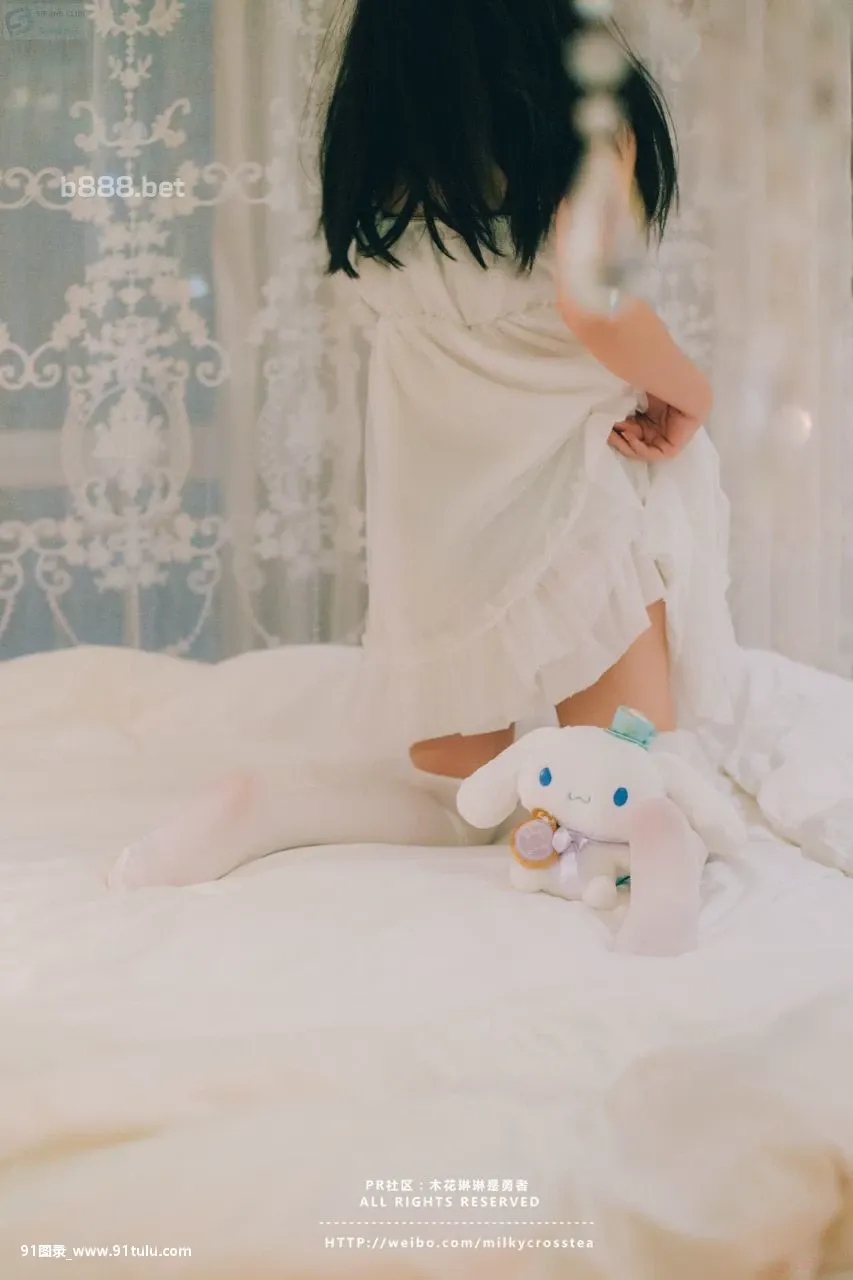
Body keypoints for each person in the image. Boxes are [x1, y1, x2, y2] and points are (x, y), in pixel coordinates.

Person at [319, 0, 737, 783]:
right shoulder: (578, 120)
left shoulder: (379, 145)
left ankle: (262, 812)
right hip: (572, 493)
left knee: (450, 800)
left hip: (435, 526)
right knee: (628, 777)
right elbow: (596, 303)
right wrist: (690, 392)